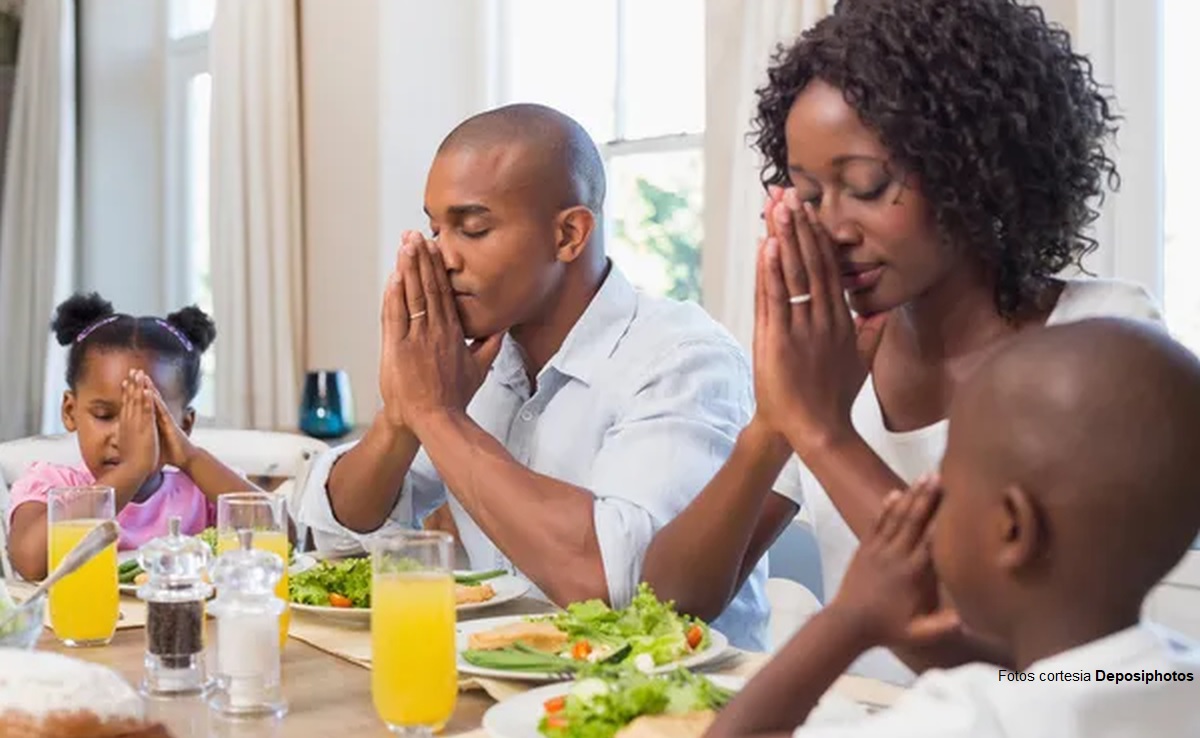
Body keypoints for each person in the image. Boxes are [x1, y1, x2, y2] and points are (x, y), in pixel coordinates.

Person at [640, 0, 1162, 681]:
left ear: (973, 166)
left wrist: (824, 433)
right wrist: (773, 425)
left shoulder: (1103, 341)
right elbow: (671, 603)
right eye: (809, 194)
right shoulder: (835, 355)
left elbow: (1015, 645)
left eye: (865, 186)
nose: (833, 227)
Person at [297, 103, 768, 649]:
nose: (442, 256)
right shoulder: (472, 361)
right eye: (434, 227)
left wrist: (436, 415)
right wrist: (400, 419)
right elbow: (338, 537)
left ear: (569, 234)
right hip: (504, 691)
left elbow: (616, 586)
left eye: (473, 228)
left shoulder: (683, 358)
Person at [706, 318, 1200, 738]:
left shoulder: (969, 715)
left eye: (943, 480)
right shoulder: (1179, 674)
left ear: (1012, 530)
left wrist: (848, 620)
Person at [7, 293, 258, 581]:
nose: (124, 437)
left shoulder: (201, 493)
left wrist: (191, 457)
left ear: (184, 425)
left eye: (147, 417)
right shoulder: (52, 487)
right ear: (70, 411)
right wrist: (132, 470)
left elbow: (281, 541)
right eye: (104, 416)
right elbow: (29, 560)